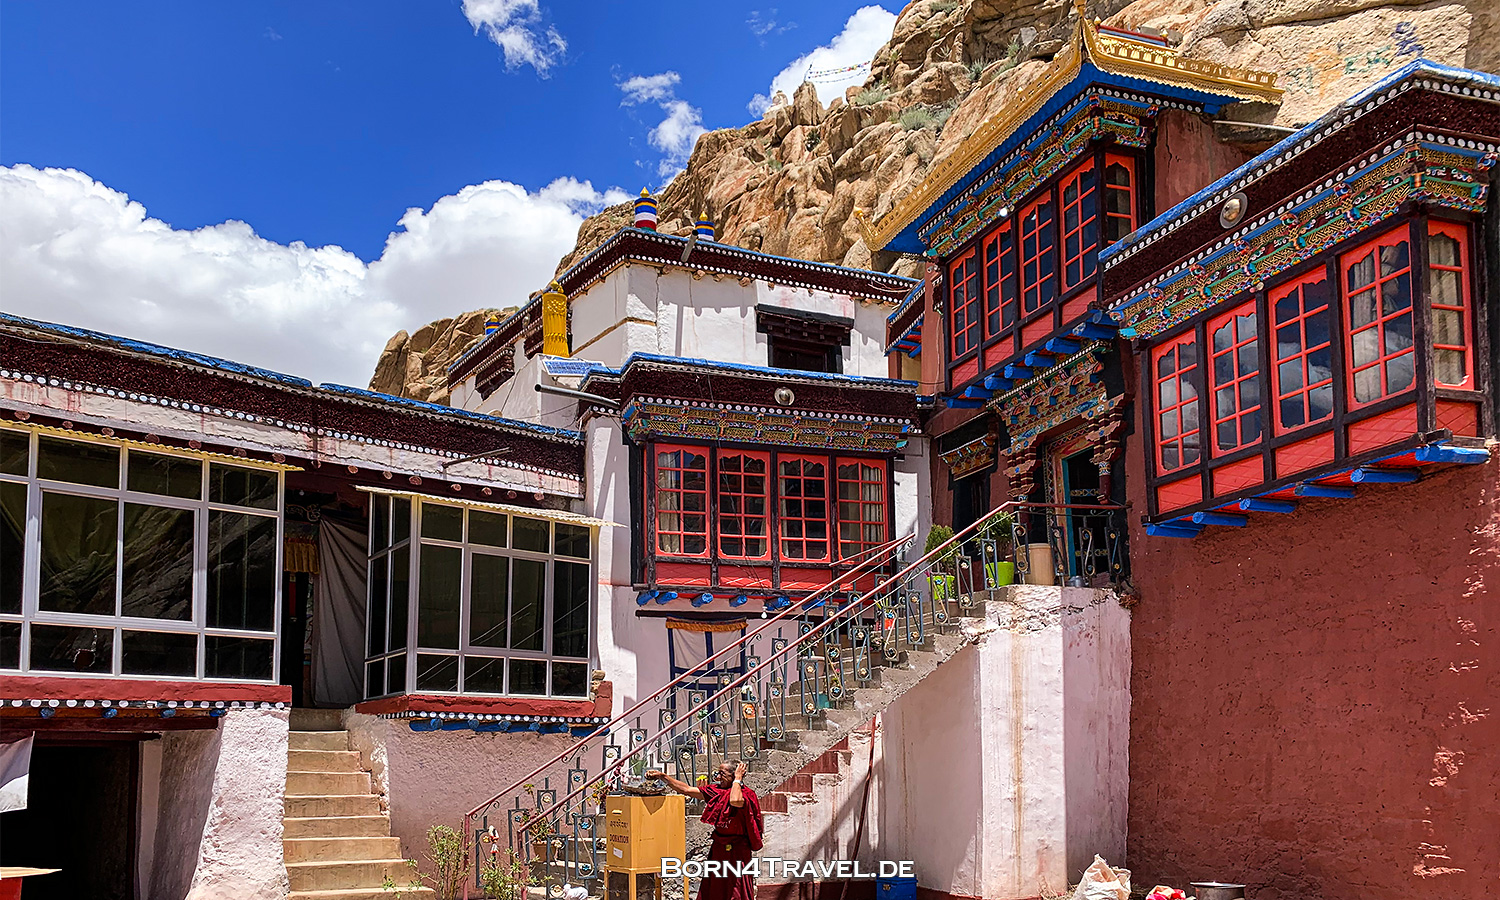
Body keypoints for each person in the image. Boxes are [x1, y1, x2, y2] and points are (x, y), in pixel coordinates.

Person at [645, 761, 763, 900]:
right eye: (718, 773)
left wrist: (738, 779)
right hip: (719, 847)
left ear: (734, 775)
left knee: (736, 890)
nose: (718, 777)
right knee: (715, 888)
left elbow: (735, 801)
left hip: (738, 850)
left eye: (722, 774)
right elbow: (687, 790)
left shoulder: (746, 793)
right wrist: (664, 776)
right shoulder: (717, 791)